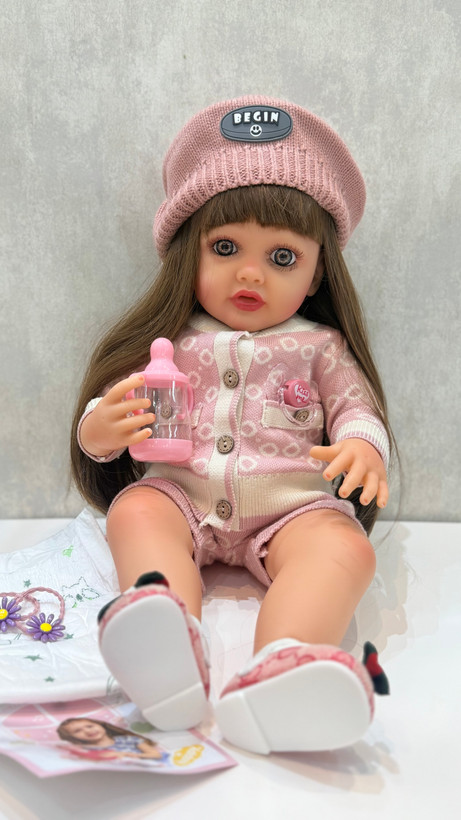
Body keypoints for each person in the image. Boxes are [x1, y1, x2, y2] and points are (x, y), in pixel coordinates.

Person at [71, 96, 393, 754]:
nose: (250, 272)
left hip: (290, 511)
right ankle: (166, 640)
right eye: (224, 248)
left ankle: (282, 670)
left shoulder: (320, 347)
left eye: (283, 258)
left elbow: (356, 408)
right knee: (135, 511)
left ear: (317, 274)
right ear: (186, 254)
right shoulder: (169, 341)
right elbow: (108, 412)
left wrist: (363, 447)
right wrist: (99, 429)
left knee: (344, 549)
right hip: (181, 496)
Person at [57, 717, 169, 761]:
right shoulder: (88, 750)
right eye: (77, 731)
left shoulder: (129, 740)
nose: (87, 731)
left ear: (101, 725)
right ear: (72, 737)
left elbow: (156, 755)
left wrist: (125, 755)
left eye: (90, 726)